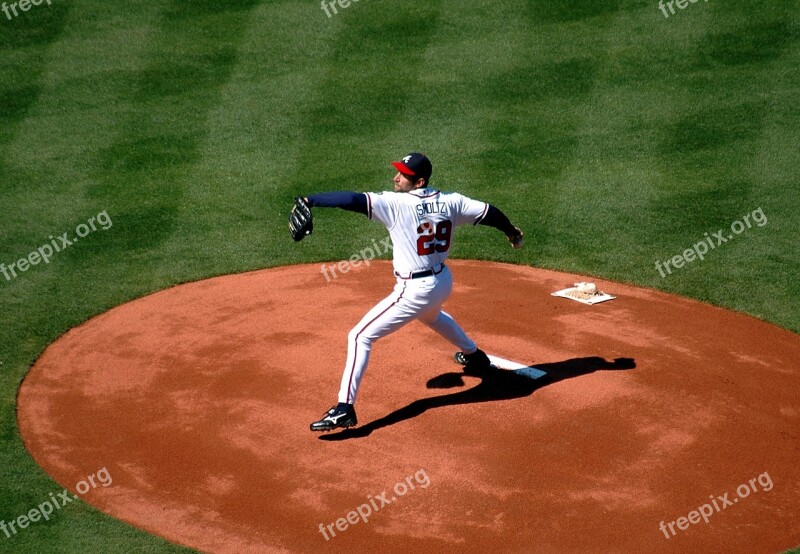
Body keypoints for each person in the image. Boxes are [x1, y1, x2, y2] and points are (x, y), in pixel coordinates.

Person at [305, 152, 524, 431]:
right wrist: (511, 233)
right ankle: (474, 356)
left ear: (419, 181)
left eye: (403, 175)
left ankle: (344, 408)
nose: (396, 177)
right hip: (442, 281)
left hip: (414, 290)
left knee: (360, 336)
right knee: (432, 317)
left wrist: (311, 200)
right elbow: (489, 212)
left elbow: (352, 200)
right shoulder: (451, 201)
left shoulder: (396, 204)